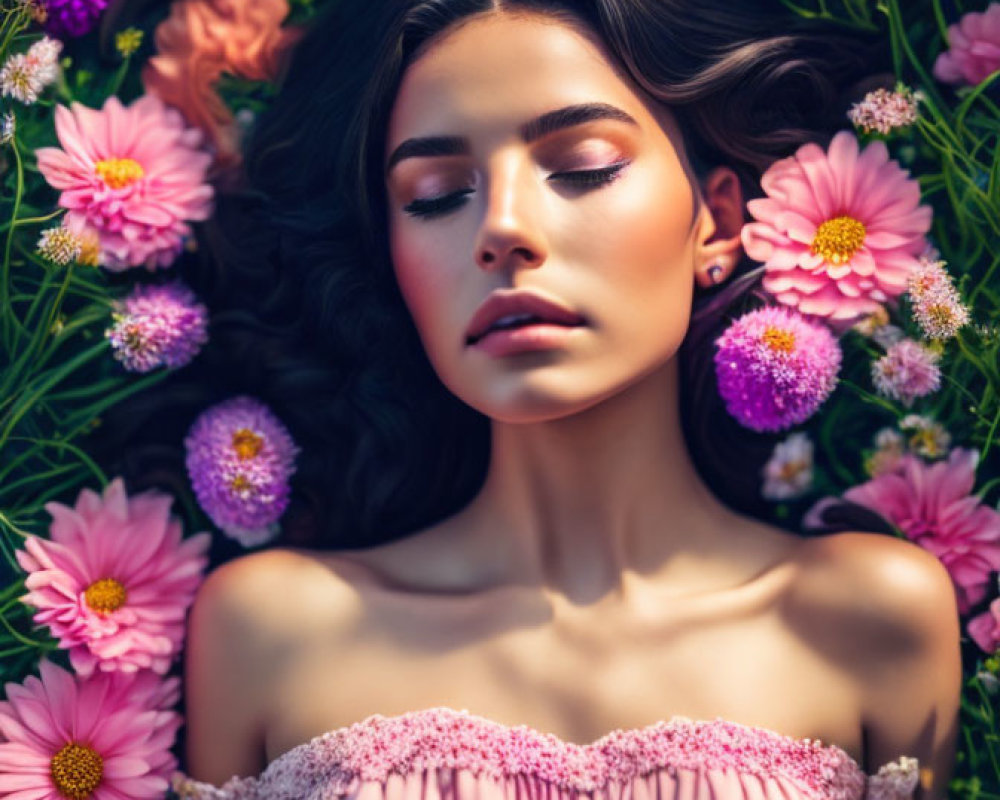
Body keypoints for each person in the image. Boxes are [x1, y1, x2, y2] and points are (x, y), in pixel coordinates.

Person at [154, 0, 962, 797]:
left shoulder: (870, 618)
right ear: (392, 261)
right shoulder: (271, 630)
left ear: (714, 224)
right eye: (435, 193)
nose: (502, 229)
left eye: (581, 167)